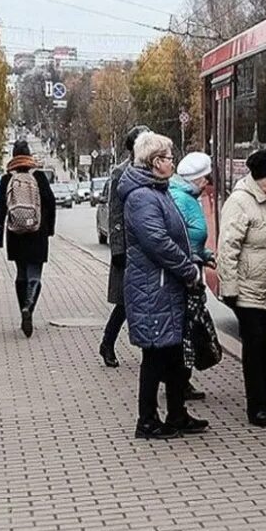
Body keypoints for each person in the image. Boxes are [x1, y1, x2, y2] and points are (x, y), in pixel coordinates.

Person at [119, 132, 206, 439]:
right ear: (156, 162)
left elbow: (174, 235)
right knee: (155, 357)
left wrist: (195, 258)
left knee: (171, 354)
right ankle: (147, 421)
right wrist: (188, 270)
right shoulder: (143, 196)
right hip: (153, 287)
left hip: (162, 286)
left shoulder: (157, 190)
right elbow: (158, 242)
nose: (173, 162)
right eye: (169, 157)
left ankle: (177, 414)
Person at [217, 147, 266, 428]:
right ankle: (257, 407)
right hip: (246, 288)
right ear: (256, 178)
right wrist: (230, 288)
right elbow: (227, 248)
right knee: (254, 346)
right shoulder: (239, 203)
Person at [99, 124, 149, 368]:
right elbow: (114, 214)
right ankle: (108, 343)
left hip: (146, 245)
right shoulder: (121, 172)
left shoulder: (152, 168)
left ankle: (151, 352)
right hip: (127, 248)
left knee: (144, 301)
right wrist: (118, 249)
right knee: (125, 302)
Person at [0, 140, 57, 338]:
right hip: (37, 232)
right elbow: (50, 202)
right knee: (35, 275)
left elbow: (1, 209)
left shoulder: (7, 179)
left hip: (15, 233)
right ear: (29, 154)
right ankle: (28, 308)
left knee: (21, 274)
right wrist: (50, 230)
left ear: (13, 156)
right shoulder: (38, 176)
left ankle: (23, 307)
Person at [170, 151, 214, 402]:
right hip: (185, 273)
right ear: (197, 179)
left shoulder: (186, 196)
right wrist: (194, 259)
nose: (208, 182)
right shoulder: (181, 198)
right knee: (186, 327)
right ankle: (179, 382)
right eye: (206, 178)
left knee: (188, 326)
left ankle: (182, 380)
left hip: (191, 266)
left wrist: (204, 253)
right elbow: (180, 237)